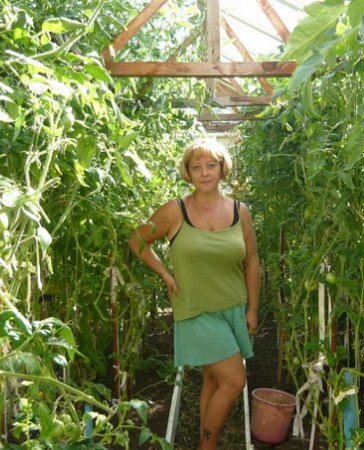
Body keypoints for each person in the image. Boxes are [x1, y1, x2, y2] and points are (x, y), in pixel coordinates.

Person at [129, 138, 261, 450]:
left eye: (211, 165)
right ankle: (207, 447)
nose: (204, 173)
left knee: (214, 380)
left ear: (222, 169)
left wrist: (252, 310)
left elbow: (252, 262)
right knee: (234, 380)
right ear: (187, 172)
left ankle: (204, 439)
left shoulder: (240, 212)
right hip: (195, 310)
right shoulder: (174, 211)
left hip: (233, 307)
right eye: (196, 167)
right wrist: (165, 273)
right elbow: (137, 240)